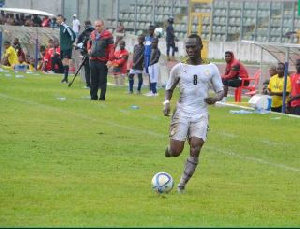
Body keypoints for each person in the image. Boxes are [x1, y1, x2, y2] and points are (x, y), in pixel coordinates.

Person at [163, 34, 224, 193]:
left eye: (193, 47)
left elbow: (220, 90)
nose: (190, 50)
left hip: (201, 114)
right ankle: (169, 150)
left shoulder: (211, 68)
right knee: (176, 151)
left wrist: (216, 98)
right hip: (182, 112)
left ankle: (181, 185)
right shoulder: (179, 68)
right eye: (187, 47)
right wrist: (167, 103)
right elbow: (169, 88)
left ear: (201, 47)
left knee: (196, 147)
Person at [87, 19, 114, 101]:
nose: (97, 28)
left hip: (103, 60)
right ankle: (93, 97)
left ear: (103, 25)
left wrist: (110, 60)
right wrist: (88, 49)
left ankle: (102, 97)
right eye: (96, 26)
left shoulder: (108, 34)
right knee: (93, 79)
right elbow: (89, 43)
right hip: (93, 59)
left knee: (102, 80)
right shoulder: (92, 33)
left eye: (99, 26)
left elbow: (111, 48)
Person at [57, 14, 76, 83]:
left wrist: (71, 43)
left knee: (66, 61)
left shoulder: (66, 27)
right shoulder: (61, 27)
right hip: (62, 47)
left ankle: (65, 78)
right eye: (57, 19)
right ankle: (65, 78)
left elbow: (73, 34)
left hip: (67, 48)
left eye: (58, 19)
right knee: (64, 63)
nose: (57, 20)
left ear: (62, 19)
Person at [76, 19, 95, 88]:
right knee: (91, 69)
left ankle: (89, 84)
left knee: (88, 69)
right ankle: (91, 84)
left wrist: (78, 45)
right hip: (90, 53)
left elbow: (79, 42)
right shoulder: (93, 31)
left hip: (89, 53)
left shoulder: (88, 32)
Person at [144, 25, 156, 92]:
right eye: (149, 30)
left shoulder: (154, 39)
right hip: (146, 57)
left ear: (154, 31)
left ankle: (152, 90)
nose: (150, 31)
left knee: (152, 74)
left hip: (151, 57)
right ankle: (150, 89)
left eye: (151, 30)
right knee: (148, 73)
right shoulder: (147, 38)